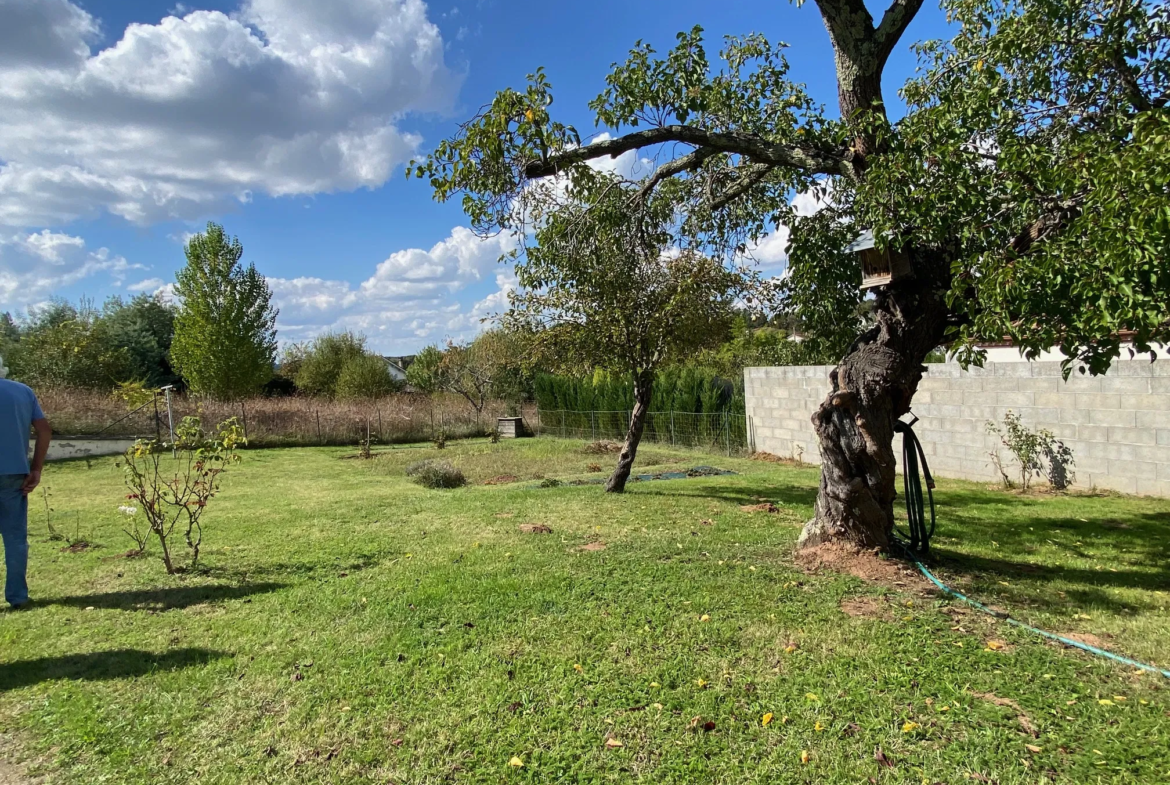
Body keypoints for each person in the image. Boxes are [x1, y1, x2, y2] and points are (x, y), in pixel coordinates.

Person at [0, 358, 51, 609]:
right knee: (15, 537)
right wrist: (36, 468)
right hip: (14, 473)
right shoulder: (23, 391)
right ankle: (18, 596)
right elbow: (44, 430)